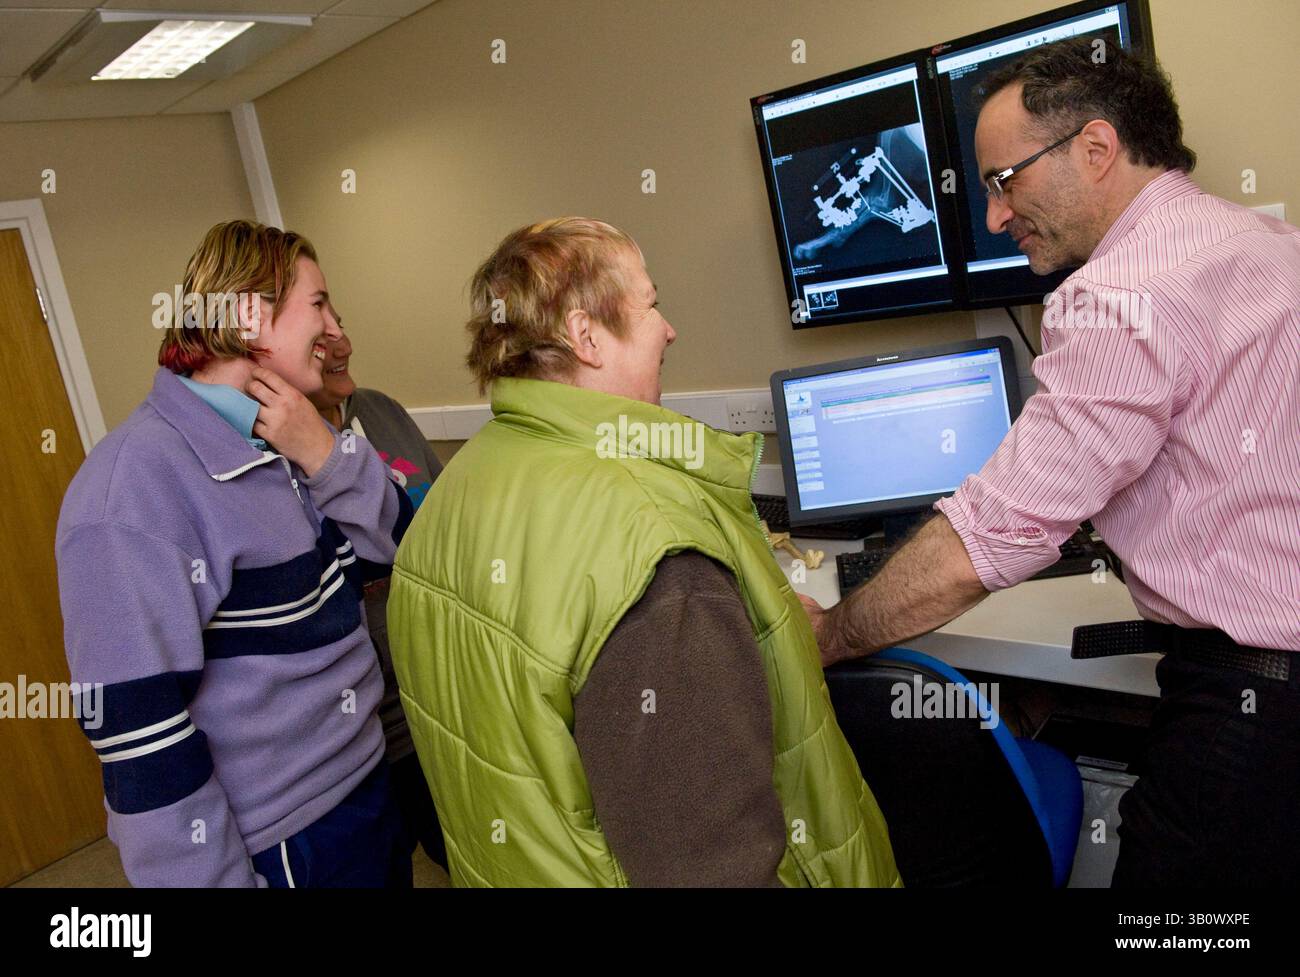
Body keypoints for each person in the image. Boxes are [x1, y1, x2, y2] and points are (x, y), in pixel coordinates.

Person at [801, 38, 1300, 887]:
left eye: (1005, 181)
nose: (995, 216)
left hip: (1254, 704)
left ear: (1097, 149)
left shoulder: (1118, 295)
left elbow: (987, 540)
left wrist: (830, 635)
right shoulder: (1261, 243)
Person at [387, 217, 900, 887]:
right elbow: (709, 866)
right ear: (586, 335)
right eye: (651, 304)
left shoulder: (451, 495)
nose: (668, 329)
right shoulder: (655, 552)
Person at [56, 219, 414, 887]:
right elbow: (143, 745)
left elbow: (407, 549)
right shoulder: (128, 493)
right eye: (318, 304)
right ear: (251, 318)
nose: (334, 329)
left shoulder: (287, 434)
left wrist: (325, 456)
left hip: (368, 789)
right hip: (286, 844)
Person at [308, 326, 447, 869]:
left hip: (437, 702)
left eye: (338, 323)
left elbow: (442, 524)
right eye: (318, 331)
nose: (342, 344)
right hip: (359, 734)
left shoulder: (381, 411)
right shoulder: (265, 454)